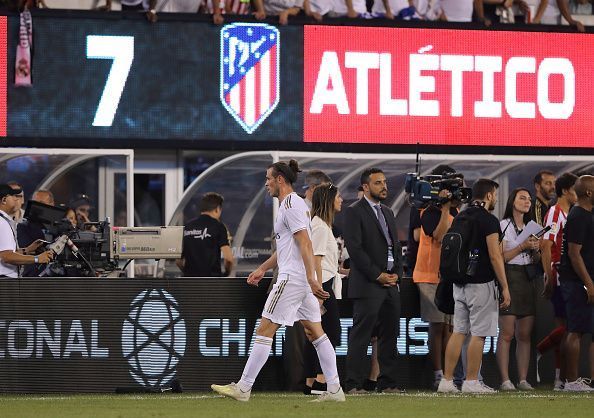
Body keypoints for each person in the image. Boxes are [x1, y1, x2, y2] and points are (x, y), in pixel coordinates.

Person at [211, 160, 345, 402]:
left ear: (280, 179)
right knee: (316, 333)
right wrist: (262, 268)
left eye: (268, 179)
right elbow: (289, 246)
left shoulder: (291, 204)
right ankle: (335, 389)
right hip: (300, 280)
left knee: (265, 329)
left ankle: (243, 387)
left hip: (292, 279)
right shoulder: (291, 205)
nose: (266, 184)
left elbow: (305, 243)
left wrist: (311, 278)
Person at [438, 178, 511, 394]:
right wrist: (505, 286)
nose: (496, 199)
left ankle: (447, 381)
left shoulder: (460, 216)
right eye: (495, 195)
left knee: (459, 331)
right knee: (478, 334)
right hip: (481, 284)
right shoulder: (488, 220)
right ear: (489, 196)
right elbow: (495, 256)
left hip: (458, 284)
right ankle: (471, 382)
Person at [343, 168, 404, 394]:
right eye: (378, 183)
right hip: (369, 284)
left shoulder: (388, 211)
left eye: (385, 182)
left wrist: (397, 272)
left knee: (390, 336)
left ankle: (387, 383)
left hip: (391, 284)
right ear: (366, 187)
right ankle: (353, 384)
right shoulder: (354, 212)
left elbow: (395, 246)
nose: (384, 186)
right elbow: (355, 249)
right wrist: (377, 275)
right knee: (362, 336)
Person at [413, 169, 461, 390]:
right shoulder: (428, 211)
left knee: (450, 329)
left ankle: (448, 376)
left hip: (450, 277)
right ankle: (438, 374)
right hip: (429, 275)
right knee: (438, 327)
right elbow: (440, 235)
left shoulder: (456, 211)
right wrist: (444, 207)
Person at [537, 172, 578, 390]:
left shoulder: (571, 213)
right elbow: (546, 245)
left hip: (569, 275)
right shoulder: (555, 212)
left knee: (568, 328)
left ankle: (560, 379)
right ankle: (542, 352)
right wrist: (550, 276)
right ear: (565, 190)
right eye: (575, 188)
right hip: (560, 275)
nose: (578, 193)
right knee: (569, 326)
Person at [497, 188, 540, 391]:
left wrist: (536, 249)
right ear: (512, 201)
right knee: (506, 333)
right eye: (522, 198)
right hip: (510, 276)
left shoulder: (533, 227)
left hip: (527, 278)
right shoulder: (503, 225)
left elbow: (536, 260)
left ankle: (522, 379)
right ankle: (505, 380)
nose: (527, 202)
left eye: (529, 199)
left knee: (525, 334)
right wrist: (523, 246)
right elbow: (501, 258)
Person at [303, 183, 343, 395]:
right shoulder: (319, 225)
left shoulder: (321, 225)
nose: (341, 200)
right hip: (322, 286)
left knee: (317, 334)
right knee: (329, 334)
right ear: (329, 200)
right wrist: (318, 292)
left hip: (325, 282)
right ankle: (321, 382)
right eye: (338, 196)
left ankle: (313, 382)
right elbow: (315, 260)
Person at [558, 175, 594, 392]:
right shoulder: (579, 215)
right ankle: (571, 382)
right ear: (588, 192)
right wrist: (589, 283)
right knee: (576, 330)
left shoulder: (588, 214)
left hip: (587, 279)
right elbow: (574, 253)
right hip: (578, 281)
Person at [0, 184, 53, 278]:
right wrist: (37, 258)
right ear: (4, 200)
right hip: (4, 280)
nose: (16, 199)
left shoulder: (3, 220)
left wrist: (27, 250)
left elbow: (5, 253)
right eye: (12, 196)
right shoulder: (2, 222)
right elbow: (7, 256)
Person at [177, 192, 234, 277]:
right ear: (217, 209)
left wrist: (187, 272)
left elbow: (178, 260)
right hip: (211, 282)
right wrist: (226, 273)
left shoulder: (187, 227)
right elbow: (228, 259)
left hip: (189, 282)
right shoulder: (218, 226)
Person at [17, 189, 57, 277]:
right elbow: (29, 250)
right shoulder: (23, 227)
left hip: (59, 275)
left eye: (41, 203)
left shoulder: (60, 227)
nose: (37, 207)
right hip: (34, 275)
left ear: (52, 204)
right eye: (35, 203)